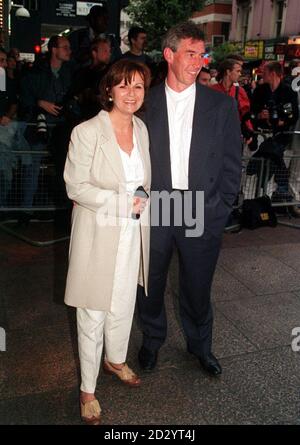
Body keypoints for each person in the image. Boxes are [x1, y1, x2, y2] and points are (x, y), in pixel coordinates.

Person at [137, 22, 241, 376]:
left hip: (200, 207)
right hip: (157, 206)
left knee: (197, 286)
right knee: (150, 284)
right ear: (169, 54)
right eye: (190, 54)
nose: (198, 62)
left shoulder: (220, 105)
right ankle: (151, 341)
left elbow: (232, 163)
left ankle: (201, 347)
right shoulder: (143, 102)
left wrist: (220, 209)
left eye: (202, 54)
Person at [63, 59, 151, 425]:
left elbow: (144, 179)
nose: (131, 94)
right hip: (98, 232)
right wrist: (122, 203)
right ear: (109, 90)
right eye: (124, 85)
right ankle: (87, 388)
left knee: (122, 300)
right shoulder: (86, 132)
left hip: (133, 231)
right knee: (92, 309)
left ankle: (115, 358)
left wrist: (143, 200)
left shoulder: (142, 128)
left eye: (139, 87)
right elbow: (76, 187)